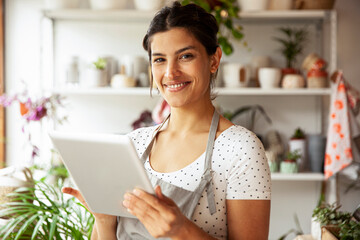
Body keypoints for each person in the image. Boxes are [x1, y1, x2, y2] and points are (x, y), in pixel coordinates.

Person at [62, 2, 271, 239]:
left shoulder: (241, 149)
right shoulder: (133, 144)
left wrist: (182, 230)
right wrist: (103, 220)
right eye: (159, 59)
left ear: (214, 60)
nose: (171, 73)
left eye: (185, 56)